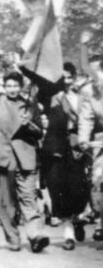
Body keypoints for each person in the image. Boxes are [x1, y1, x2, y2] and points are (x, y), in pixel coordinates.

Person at [0, 52, 49, 253]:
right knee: (7, 204)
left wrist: (30, 125)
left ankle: (35, 235)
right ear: (4, 87)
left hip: (26, 158)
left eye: (15, 86)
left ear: (21, 87)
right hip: (4, 158)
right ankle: (13, 238)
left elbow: (38, 133)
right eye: (8, 86)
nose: (12, 89)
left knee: (28, 198)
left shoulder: (30, 104)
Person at [25, 59, 90, 250]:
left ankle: (78, 218)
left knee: (79, 189)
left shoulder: (82, 96)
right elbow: (35, 80)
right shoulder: (49, 96)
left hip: (76, 147)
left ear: (74, 78)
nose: (67, 81)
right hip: (54, 150)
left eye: (70, 78)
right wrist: (25, 65)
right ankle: (68, 234)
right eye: (64, 78)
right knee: (58, 192)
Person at [79, 29, 103, 246]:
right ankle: (99, 222)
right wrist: (84, 138)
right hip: (101, 139)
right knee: (97, 180)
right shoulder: (90, 91)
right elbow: (86, 117)